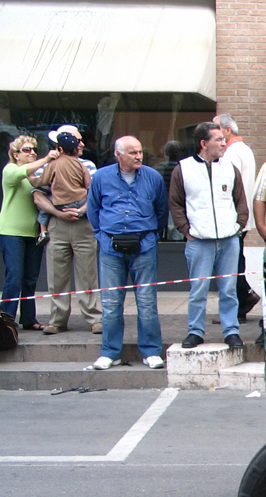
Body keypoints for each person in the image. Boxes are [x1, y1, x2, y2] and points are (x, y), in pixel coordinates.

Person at [86, 136, 167, 370]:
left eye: (140, 152)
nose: (138, 156)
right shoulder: (101, 177)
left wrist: (151, 236)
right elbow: (93, 209)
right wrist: (101, 235)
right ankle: (110, 352)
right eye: (133, 152)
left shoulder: (153, 177)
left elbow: (161, 210)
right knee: (111, 302)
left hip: (144, 246)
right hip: (110, 246)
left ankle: (151, 351)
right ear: (118, 154)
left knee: (147, 301)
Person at [168, 121, 249, 350]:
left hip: (229, 239)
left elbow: (240, 200)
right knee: (198, 290)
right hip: (199, 240)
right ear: (204, 143)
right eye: (219, 139)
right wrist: (186, 230)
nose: (224, 143)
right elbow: (175, 203)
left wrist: (238, 226)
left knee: (229, 289)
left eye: (224, 139)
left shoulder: (230, 168)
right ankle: (195, 331)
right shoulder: (183, 169)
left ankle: (231, 331)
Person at [30, 126, 102, 335]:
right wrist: (58, 213)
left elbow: (94, 194)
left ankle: (94, 317)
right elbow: (37, 195)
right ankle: (57, 320)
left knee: (88, 274)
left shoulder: (88, 164)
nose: (81, 144)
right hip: (57, 224)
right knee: (56, 275)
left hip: (83, 224)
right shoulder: (49, 165)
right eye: (77, 140)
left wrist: (80, 211)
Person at [1, 136, 59, 332]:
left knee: (31, 278)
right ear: (15, 154)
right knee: (14, 276)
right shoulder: (11, 170)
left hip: (33, 232)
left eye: (34, 149)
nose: (32, 152)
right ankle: (6, 320)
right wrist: (46, 159)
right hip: (12, 232)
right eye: (26, 150)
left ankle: (28, 318)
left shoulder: (36, 174)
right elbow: (20, 173)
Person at [214, 114, 260, 320]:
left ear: (227, 130)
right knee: (236, 259)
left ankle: (242, 301)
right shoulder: (245, 150)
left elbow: (228, 185)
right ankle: (243, 300)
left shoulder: (231, 153)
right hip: (242, 215)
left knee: (231, 262)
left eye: (216, 129)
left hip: (234, 217)